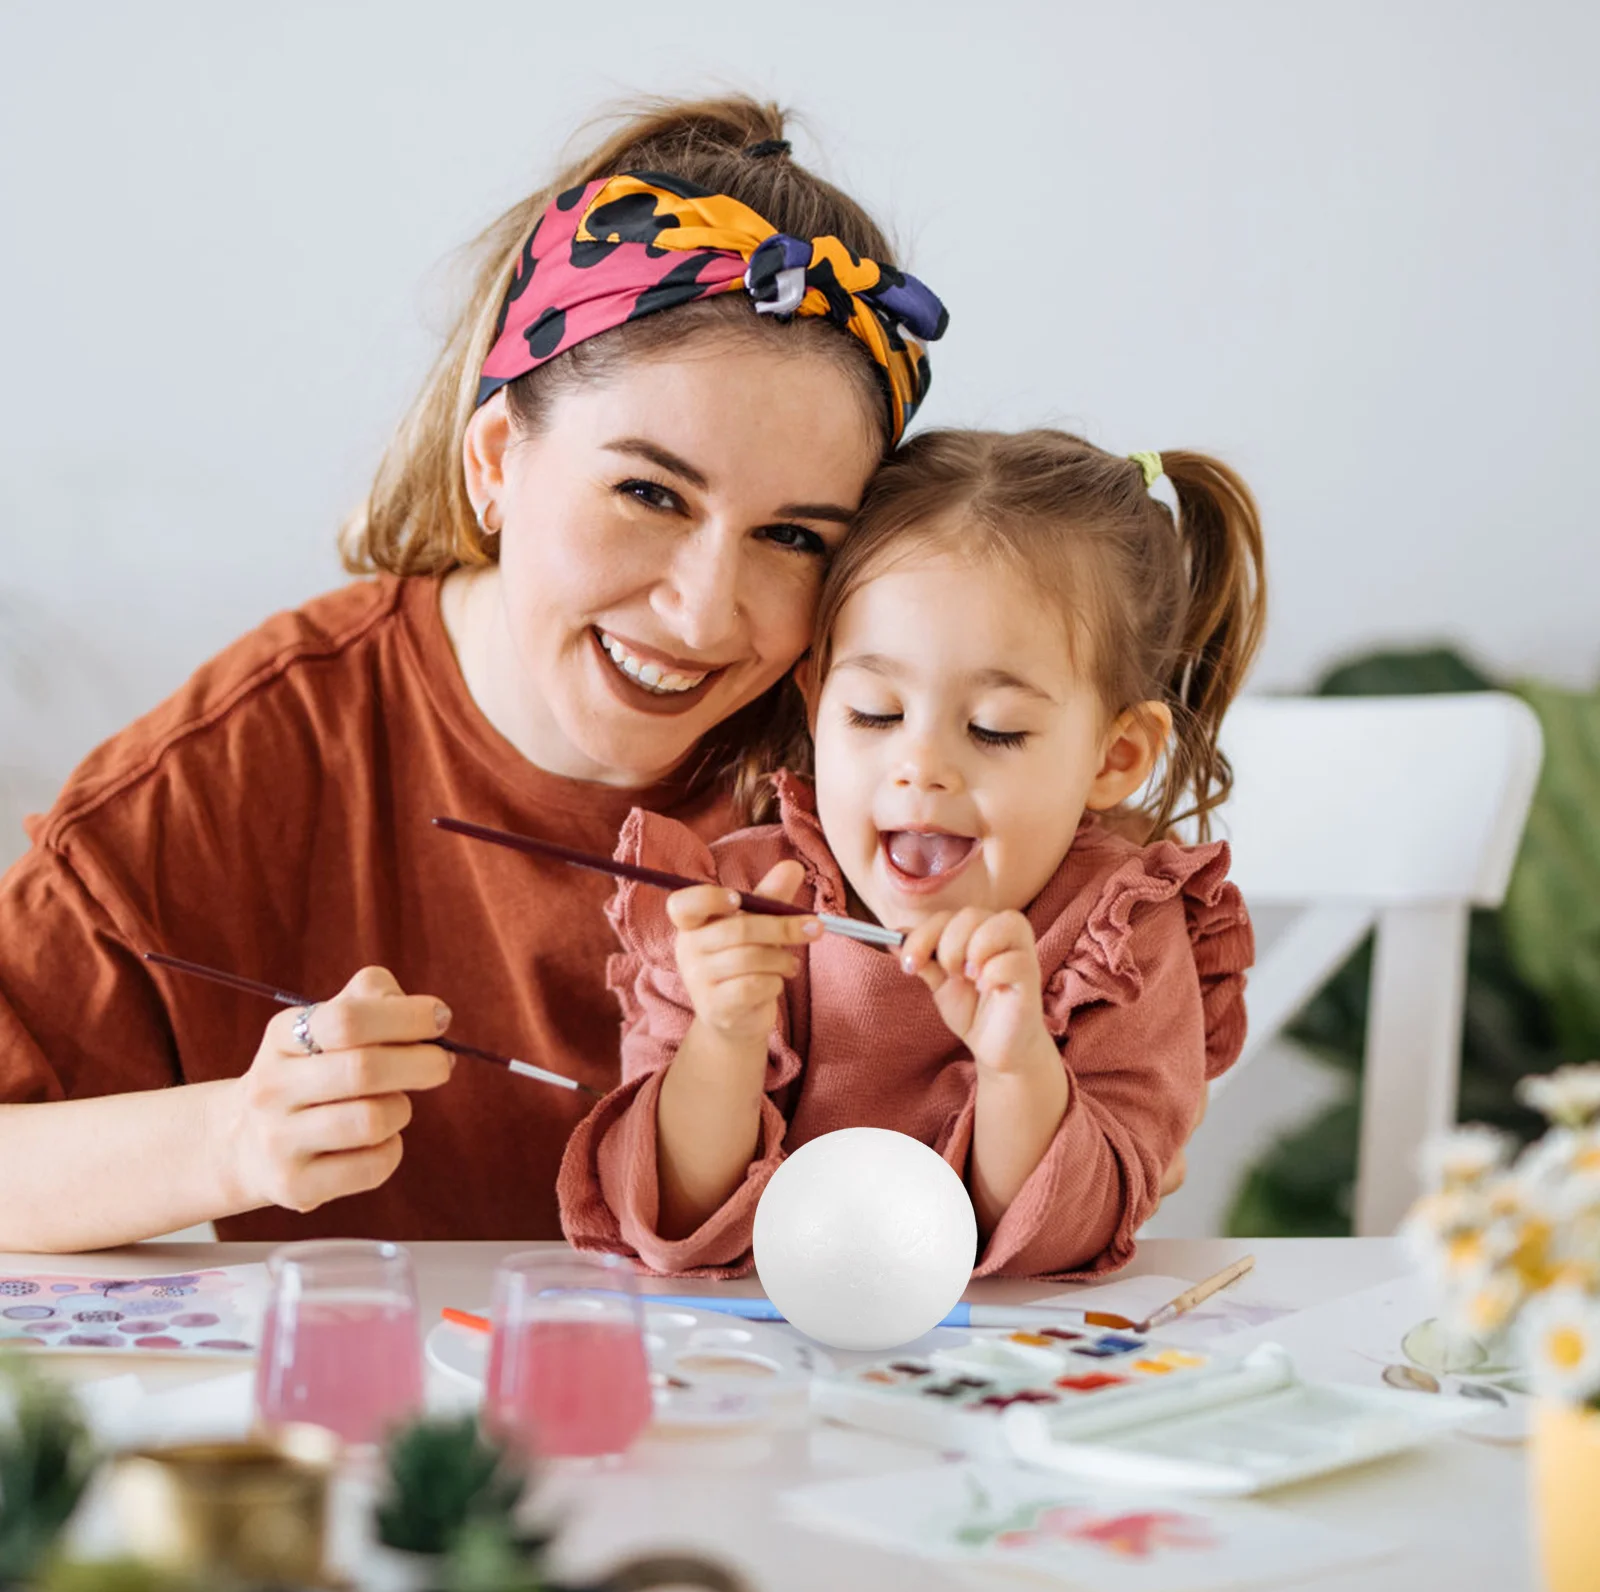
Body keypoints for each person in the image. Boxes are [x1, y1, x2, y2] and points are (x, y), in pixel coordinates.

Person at [0, 96, 949, 1250]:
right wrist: (234, 1138)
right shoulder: (254, 757)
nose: (704, 609)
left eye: (794, 537)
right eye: (649, 493)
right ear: (497, 457)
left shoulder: (887, 761)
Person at [560, 429, 1265, 1279]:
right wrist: (726, 1034)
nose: (922, 767)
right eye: (876, 714)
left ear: (1113, 757)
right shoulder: (738, 904)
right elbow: (666, 1220)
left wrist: (1015, 1069)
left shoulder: (1121, 936)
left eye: (994, 730)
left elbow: (1064, 1239)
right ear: (817, 699)